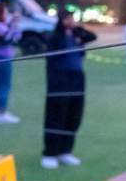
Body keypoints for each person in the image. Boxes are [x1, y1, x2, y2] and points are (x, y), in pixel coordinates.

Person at [41, 10, 97, 169]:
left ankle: (65, 151)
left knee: (73, 115)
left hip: (77, 78)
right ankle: (50, 153)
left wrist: (78, 28)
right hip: (59, 80)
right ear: (61, 20)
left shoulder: (76, 34)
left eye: (72, 18)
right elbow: (50, 60)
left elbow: (93, 37)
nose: (71, 21)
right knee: (56, 116)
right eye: (68, 18)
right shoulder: (55, 37)